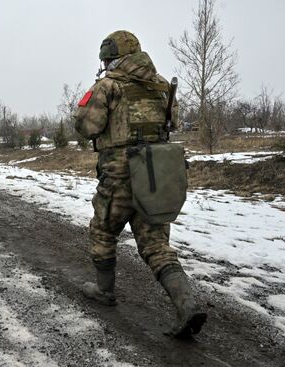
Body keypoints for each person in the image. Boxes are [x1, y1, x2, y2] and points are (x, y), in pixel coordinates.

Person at [73, 30, 207, 337]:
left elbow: (87, 127)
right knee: (156, 244)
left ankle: (104, 292)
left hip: (119, 175)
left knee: (104, 230)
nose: (105, 64)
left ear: (111, 58)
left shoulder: (108, 85)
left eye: (106, 59)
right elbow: (172, 123)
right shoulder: (161, 87)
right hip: (154, 174)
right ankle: (186, 305)